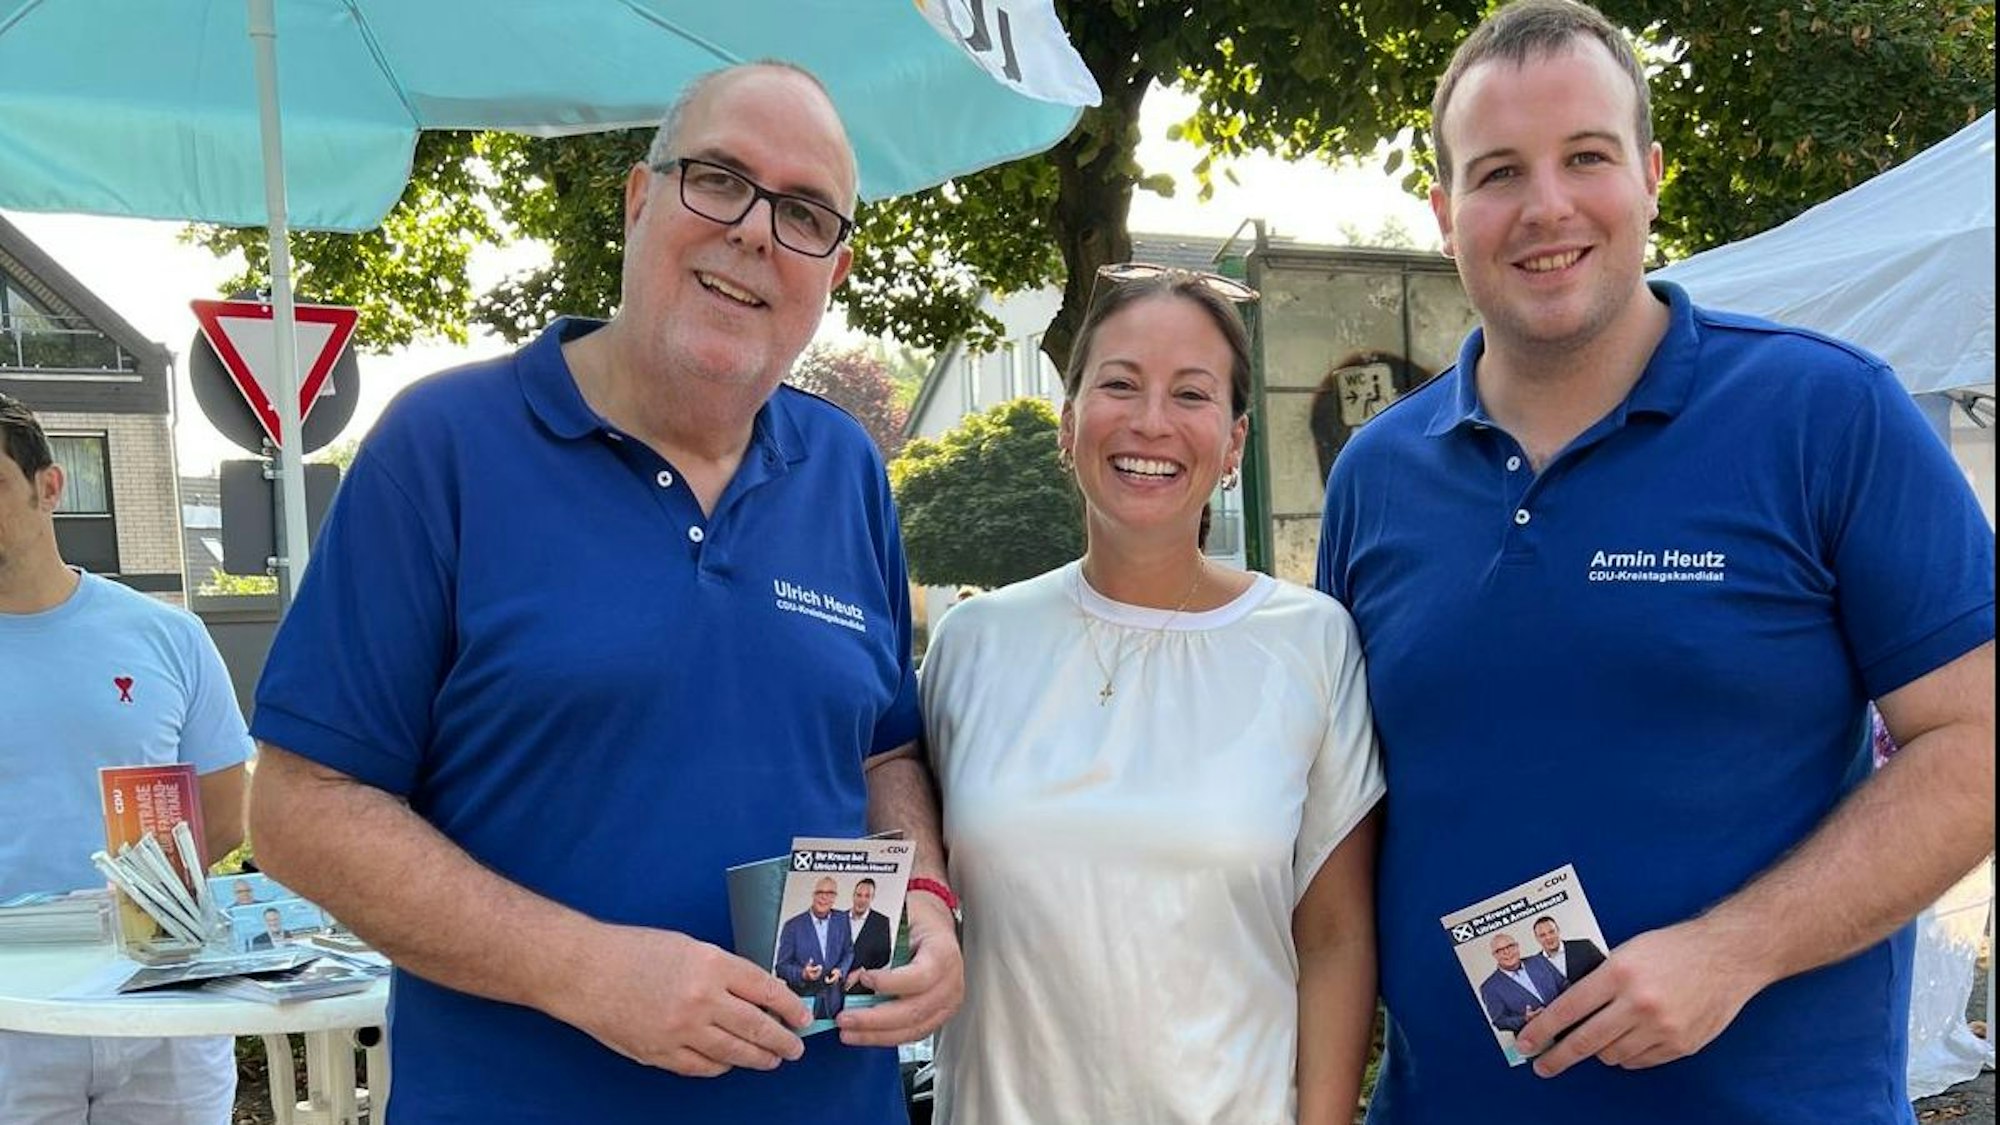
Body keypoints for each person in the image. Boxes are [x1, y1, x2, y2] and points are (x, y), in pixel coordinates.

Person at [243, 61, 962, 1122]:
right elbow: (302, 807)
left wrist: (926, 901)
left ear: (834, 269)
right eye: (720, 180)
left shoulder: (845, 469)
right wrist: (582, 969)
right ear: (639, 198)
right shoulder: (441, 447)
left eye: (803, 213)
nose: (756, 232)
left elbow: (882, 750)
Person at [1316, 2, 1995, 1121]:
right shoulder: (1376, 475)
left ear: (1648, 175)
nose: (1545, 207)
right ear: (1442, 213)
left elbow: (1973, 743)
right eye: (1496, 173)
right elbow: (1345, 819)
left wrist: (1736, 948)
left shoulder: (1823, 412)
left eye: (1586, 157)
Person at [923, 265, 1385, 1124]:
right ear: (1068, 424)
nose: (1150, 421)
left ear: (1235, 440)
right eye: (1120, 384)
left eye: (1192, 393)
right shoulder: (971, 644)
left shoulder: (1311, 642)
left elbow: (1335, 938)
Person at [0, 392, 250, 1123]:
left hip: (162, 1001)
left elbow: (228, 815)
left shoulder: (167, 636)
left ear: (50, 485)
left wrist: (142, 909)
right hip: (10, 1014)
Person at [775, 877, 854, 1020]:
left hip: (835, 1002)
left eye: (830, 893)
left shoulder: (842, 919)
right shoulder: (792, 926)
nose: (824, 897)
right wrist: (803, 974)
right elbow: (781, 967)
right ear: (813, 895)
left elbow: (849, 952)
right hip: (805, 1001)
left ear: (835, 897)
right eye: (820, 892)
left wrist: (840, 971)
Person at [1479, 931, 1566, 1035]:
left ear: (1517, 946)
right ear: (1494, 955)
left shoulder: (1539, 960)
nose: (1507, 952)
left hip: (1567, 1019)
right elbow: (1500, 1021)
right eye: (1499, 950)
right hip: (1537, 1037)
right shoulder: (1489, 987)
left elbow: (1564, 984)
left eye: (1510, 946)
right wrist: (1525, 1019)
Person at [844, 877, 894, 994]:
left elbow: (884, 956)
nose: (862, 900)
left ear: (872, 898)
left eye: (867, 896)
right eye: (859, 895)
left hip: (861, 988)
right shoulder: (839, 918)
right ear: (853, 895)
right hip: (833, 987)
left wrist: (861, 971)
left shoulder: (881, 922)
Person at [1530, 916, 1605, 987]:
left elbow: (1607, 970)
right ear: (1537, 938)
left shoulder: (1585, 947)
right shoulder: (1534, 966)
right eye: (1542, 935)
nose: (1548, 937)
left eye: (1552, 932)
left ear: (1558, 931)